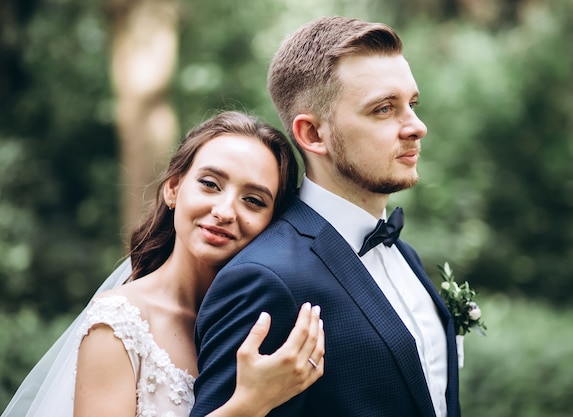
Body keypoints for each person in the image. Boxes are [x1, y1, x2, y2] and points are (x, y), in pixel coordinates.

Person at [191, 16, 461, 417]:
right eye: (384, 109)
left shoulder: (406, 257)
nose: (416, 127)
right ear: (313, 135)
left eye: (412, 105)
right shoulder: (266, 278)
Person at [1, 111, 324, 417]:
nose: (225, 211)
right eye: (210, 184)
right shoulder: (117, 323)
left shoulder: (264, 323)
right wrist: (249, 404)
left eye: (253, 200)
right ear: (173, 188)